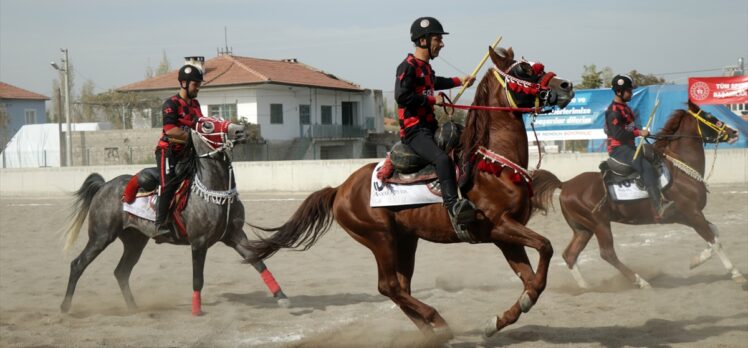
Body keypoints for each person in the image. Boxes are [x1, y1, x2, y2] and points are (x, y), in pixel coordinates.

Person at [394, 16, 476, 231]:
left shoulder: (426, 68)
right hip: (414, 132)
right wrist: (432, 100)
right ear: (423, 41)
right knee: (441, 159)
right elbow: (402, 97)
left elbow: (437, 82)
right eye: (438, 39)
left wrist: (461, 81)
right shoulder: (407, 67)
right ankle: (453, 207)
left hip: (430, 127)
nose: (441, 44)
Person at [604, 74, 670, 219]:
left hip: (629, 147)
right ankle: (659, 207)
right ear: (619, 92)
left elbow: (629, 128)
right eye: (628, 90)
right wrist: (638, 132)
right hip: (618, 150)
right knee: (645, 167)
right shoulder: (614, 111)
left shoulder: (625, 108)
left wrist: (644, 133)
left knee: (655, 155)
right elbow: (618, 133)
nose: (631, 93)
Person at [154, 62, 205, 234]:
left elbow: (201, 125)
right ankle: (160, 224)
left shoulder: (196, 105)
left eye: (199, 84)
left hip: (187, 152)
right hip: (168, 152)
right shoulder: (171, 104)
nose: (198, 88)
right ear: (184, 83)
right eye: (195, 84)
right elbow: (170, 130)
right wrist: (194, 136)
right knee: (168, 184)